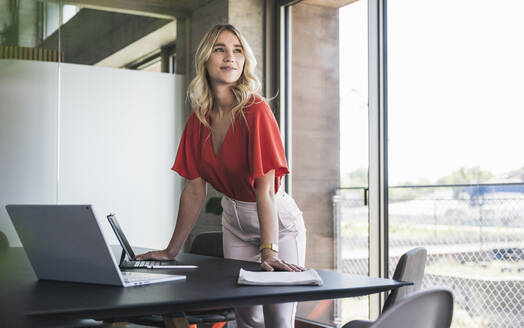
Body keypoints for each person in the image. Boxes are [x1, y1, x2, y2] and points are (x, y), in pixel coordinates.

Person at [136, 24, 307, 328]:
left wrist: (269, 251)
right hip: (234, 221)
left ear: (244, 61)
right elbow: (193, 189)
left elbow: (265, 190)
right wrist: (171, 250)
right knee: (246, 318)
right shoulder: (197, 120)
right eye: (220, 49)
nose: (230, 57)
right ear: (206, 58)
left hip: (277, 224)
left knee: (279, 321)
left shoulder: (256, 111)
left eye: (237, 50)